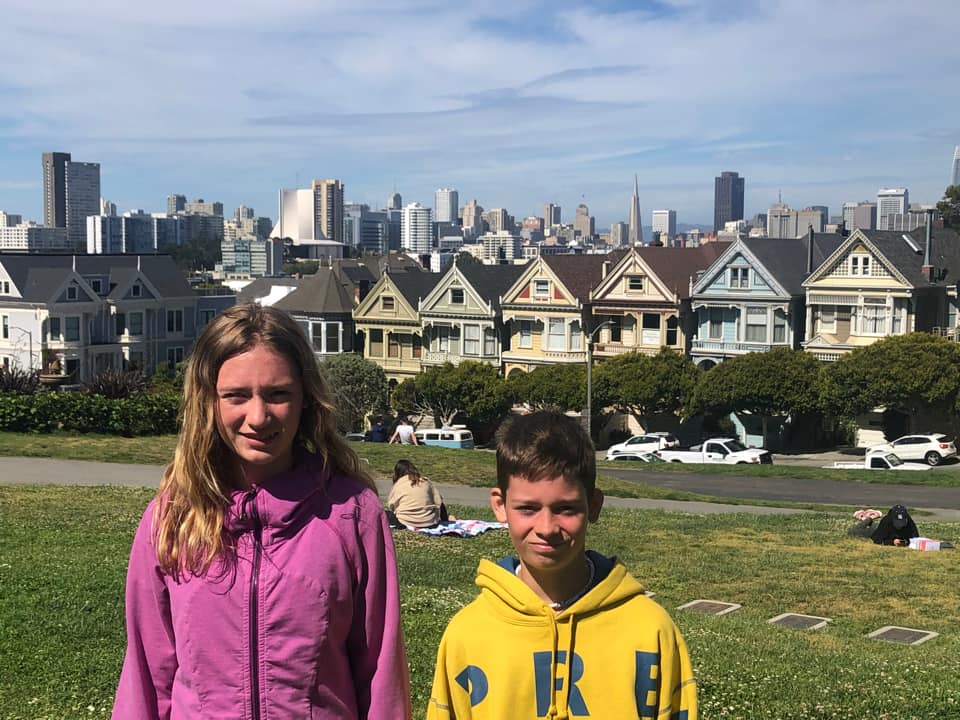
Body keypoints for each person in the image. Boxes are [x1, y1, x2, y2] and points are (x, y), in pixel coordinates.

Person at [112, 303, 412, 720]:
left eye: (277, 394)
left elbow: (381, 677)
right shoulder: (172, 518)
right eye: (236, 395)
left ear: (306, 398)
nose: (258, 417)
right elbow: (146, 677)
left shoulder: (353, 516)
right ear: (208, 402)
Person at [426, 409, 697, 720]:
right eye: (527, 508)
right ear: (500, 506)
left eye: (565, 508)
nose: (547, 527)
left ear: (593, 506)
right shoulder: (467, 633)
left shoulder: (652, 630)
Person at [386, 459, 449, 529]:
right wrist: (445, 520)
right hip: (429, 522)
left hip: (404, 521)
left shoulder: (399, 484)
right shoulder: (426, 481)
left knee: (384, 514)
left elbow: (391, 505)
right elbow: (439, 502)